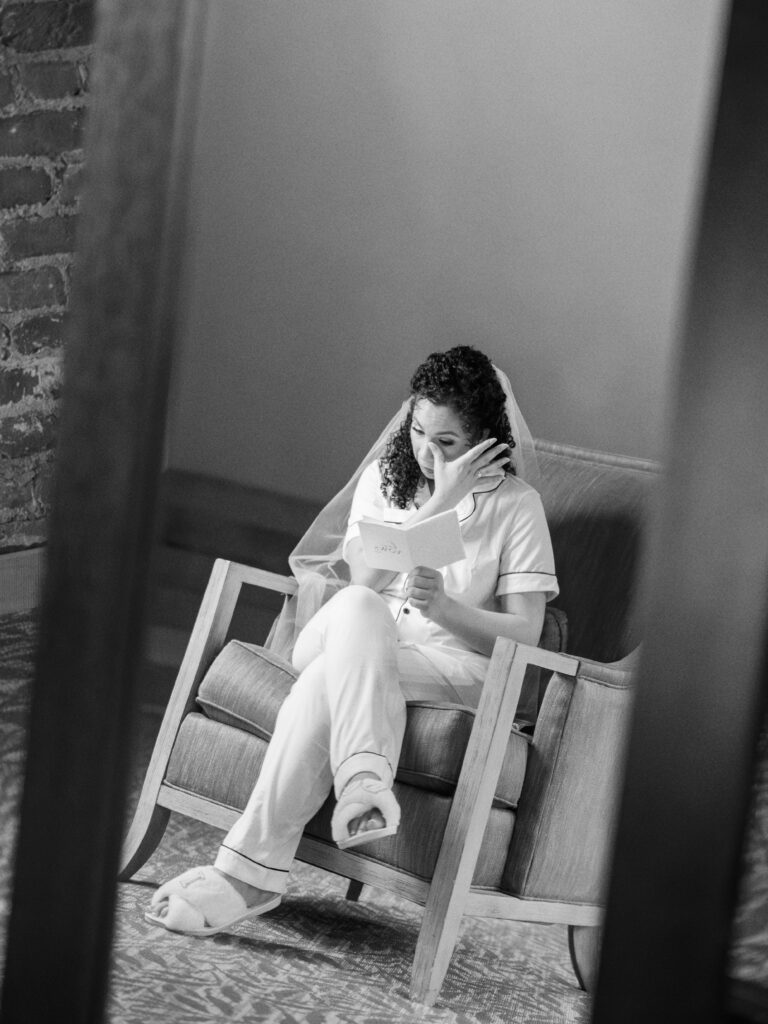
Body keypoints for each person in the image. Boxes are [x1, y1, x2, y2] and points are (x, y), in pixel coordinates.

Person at [146, 345, 558, 936]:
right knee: (362, 604)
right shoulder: (385, 481)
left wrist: (446, 608)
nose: (426, 452)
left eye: (446, 442)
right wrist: (442, 502)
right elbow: (363, 577)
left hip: (452, 666)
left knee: (324, 682)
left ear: (484, 441)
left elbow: (527, 634)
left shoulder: (517, 509)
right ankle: (362, 781)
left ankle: (250, 873)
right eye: (419, 432)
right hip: (346, 632)